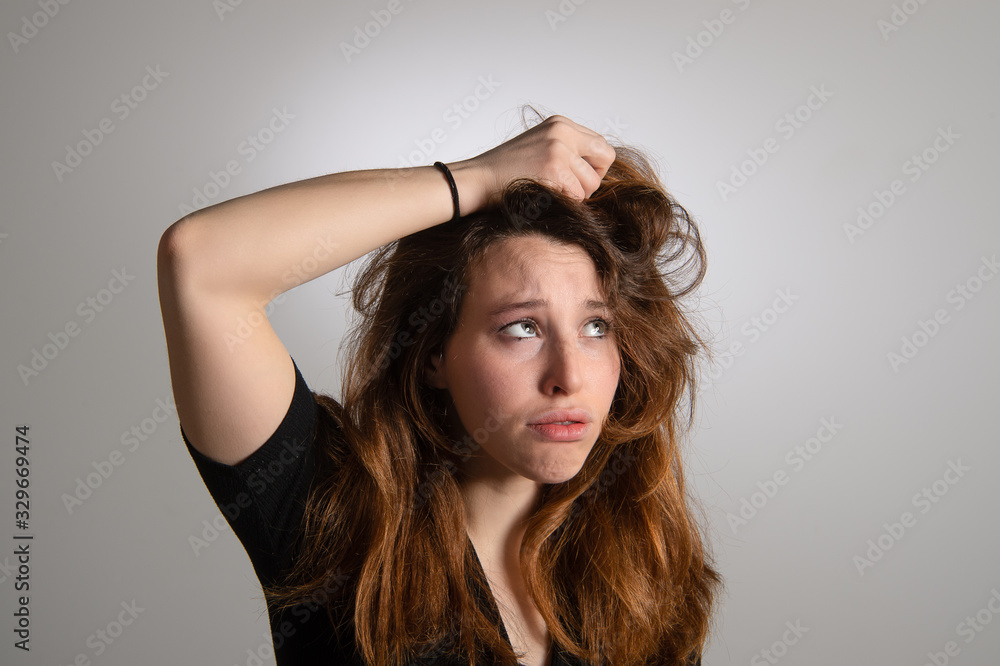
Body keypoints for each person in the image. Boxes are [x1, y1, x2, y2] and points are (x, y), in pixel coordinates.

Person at [157, 110, 721, 666]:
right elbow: (202, 262)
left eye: (596, 327)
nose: (569, 377)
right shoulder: (333, 518)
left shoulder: (643, 569)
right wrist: (477, 177)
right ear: (434, 355)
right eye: (521, 328)